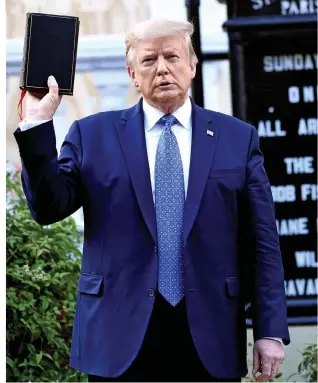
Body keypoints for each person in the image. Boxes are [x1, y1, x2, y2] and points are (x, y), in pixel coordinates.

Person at [14, 19, 290, 382]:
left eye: (172, 56)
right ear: (131, 73)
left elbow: (263, 242)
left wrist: (270, 330)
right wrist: (37, 125)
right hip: (117, 336)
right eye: (148, 60)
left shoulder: (237, 138)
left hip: (210, 333)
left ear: (192, 66)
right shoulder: (92, 134)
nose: (162, 68)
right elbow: (49, 208)